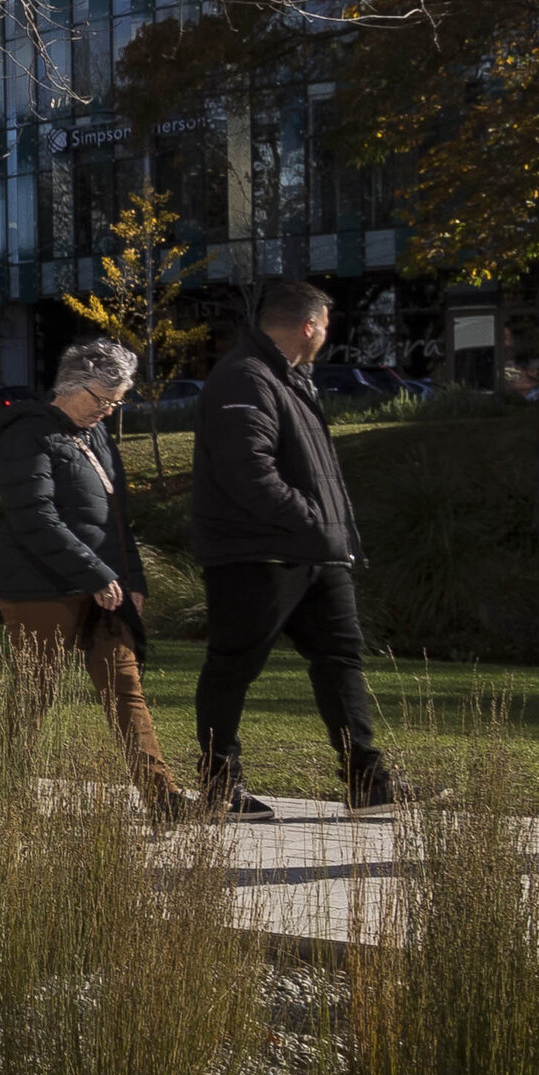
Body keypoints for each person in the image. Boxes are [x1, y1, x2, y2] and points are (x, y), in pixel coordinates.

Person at [190, 277, 402, 816]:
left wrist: (321, 532)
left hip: (314, 552)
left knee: (340, 658)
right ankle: (220, 786)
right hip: (257, 553)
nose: (327, 335)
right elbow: (248, 472)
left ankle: (367, 781)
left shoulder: (291, 378)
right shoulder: (244, 377)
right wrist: (308, 519)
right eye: (326, 325)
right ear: (308, 326)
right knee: (234, 665)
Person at [0, 338, 185, 820]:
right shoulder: (27, 435)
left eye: (117, 402)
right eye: (102, 399)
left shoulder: (97, 436)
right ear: (71, 386)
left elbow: (115, 520)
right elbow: (34, 516)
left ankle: (163, 798)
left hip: (103, 586)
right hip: (38, 586)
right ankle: (8, 796)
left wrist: (131, 579)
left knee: (125, 685)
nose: (109, 411)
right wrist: (95, 573)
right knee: (35, 691)